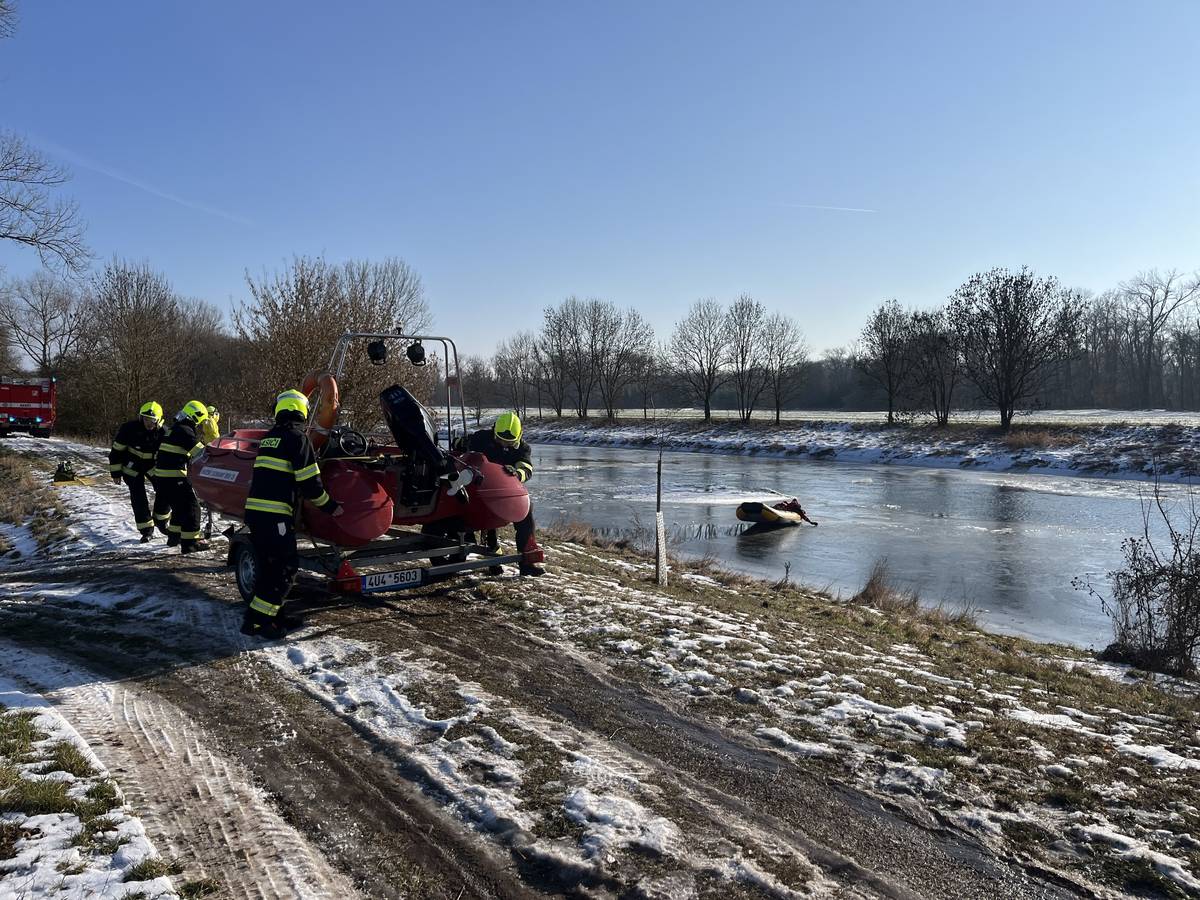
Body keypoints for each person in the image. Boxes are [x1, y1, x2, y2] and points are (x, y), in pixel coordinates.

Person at [241, 388, 342, 639]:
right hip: (275, 516)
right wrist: (332, 507)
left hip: (257, 512)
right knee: (284, 569)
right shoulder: (297, 439)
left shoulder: (270, 437)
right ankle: (260, 623)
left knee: (268, 567)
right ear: (302, 411)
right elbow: (310, 485)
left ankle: (269, 618)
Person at [456, 411, 543, 576]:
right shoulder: (481, 438)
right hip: (477, 489)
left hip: (505, 491)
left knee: (526, 514)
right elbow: (461, 450)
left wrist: (517, 474)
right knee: (485, 520)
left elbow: (526, 468)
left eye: (509, 442)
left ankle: (527, 562)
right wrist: (461, 443)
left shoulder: (523, 448)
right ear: (494, 431)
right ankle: (492, 556)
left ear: (518, 437)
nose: (504, 444)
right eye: (500, 439)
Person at [152, 400, 211, 554]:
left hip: (163, 478)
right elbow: (201, 453)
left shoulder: (175, 428)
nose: (200, 425)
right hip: (173, 477)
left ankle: (174, 537)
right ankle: (190, 543)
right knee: (192, 508)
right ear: (196, 417)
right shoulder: (185, 431)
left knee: (179, 508)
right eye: (201, 421)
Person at [108, 401, 168, 542]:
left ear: (158, 420)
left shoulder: (164, 433)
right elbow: (116, 451)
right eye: (145, 419)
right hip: (132, 466)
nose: (148, 423)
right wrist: (116, 473)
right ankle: (146, 531)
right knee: (138, 497)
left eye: (152, 420)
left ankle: (161, 520)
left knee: (165, 490)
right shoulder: (128, 429)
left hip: (152, 466)